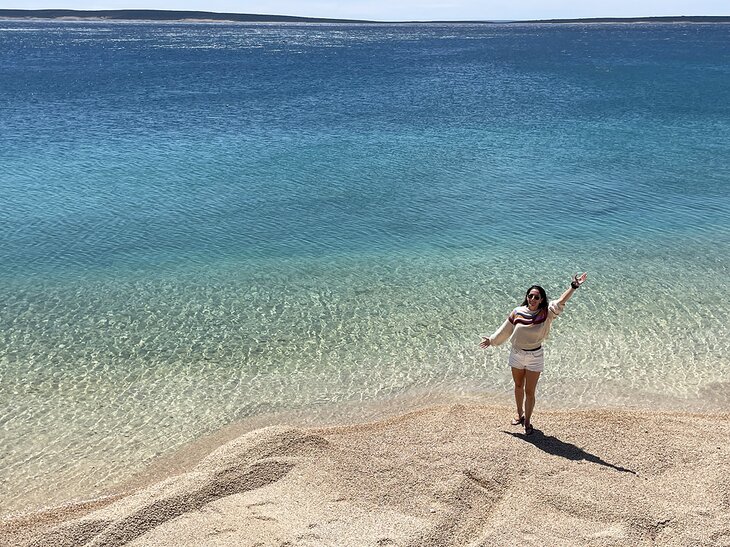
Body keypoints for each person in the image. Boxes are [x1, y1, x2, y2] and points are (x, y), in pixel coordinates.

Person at [479, 273, 587, 435]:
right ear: (527, 297)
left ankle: (528, 421)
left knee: (530, 392)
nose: (533, 299)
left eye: (537, 297)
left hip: (535, 356)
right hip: (516, 354)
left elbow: (561, 301)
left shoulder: (546, 314)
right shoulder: (517, 311)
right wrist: (492, 340)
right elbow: (506, 330)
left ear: (542, 299)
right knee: (518, 386)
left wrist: (573, 286)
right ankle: (519, 413)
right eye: (530, 296)